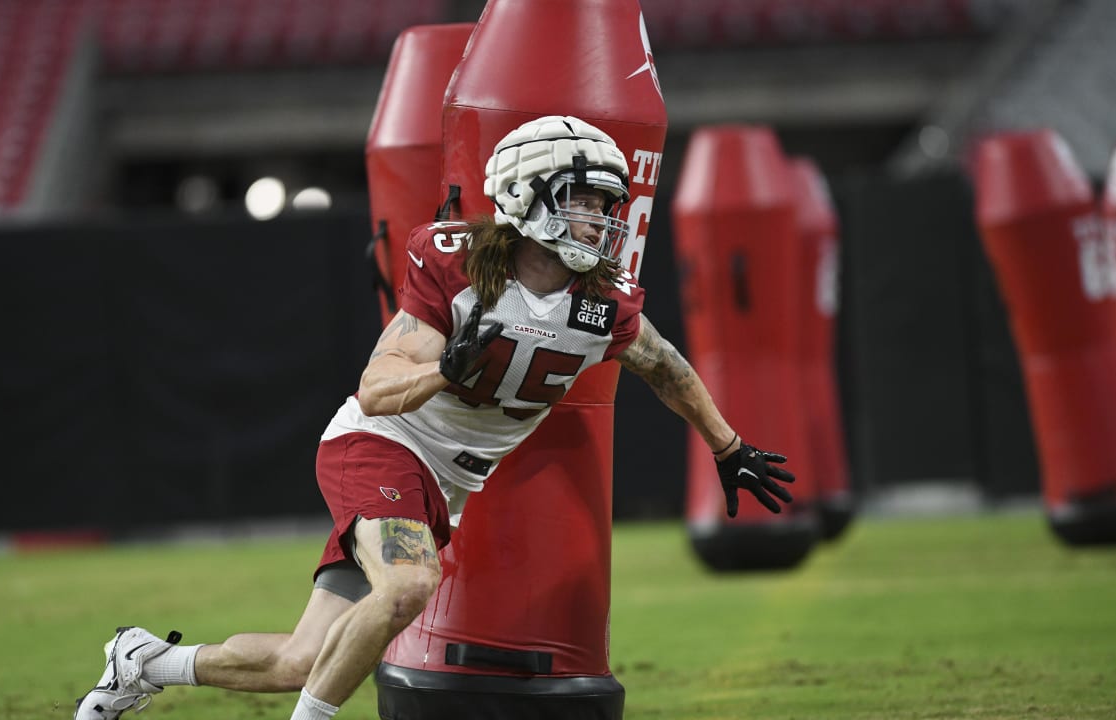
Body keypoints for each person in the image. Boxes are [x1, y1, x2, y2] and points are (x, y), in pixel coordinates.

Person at [71, 115, 795, 720]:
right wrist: (443, 370)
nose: (603, 219)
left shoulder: (602, 300)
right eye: (584, 199)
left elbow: (666, 368)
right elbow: (377, 388)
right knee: (411, 588)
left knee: (301, 659)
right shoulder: (457, 265)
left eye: (608, 204)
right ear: (528, 195)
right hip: (382, 444)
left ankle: (148, 660)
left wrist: (728, 447)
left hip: (444, 480)